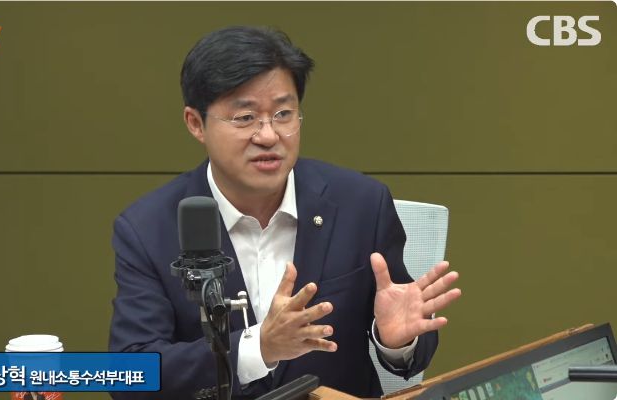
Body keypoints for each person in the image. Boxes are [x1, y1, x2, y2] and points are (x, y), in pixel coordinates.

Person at [108, 26, 461, 399]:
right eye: (245, 117)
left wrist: (395, 341)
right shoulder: (147, 229)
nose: (268, 135)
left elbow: (409, 332)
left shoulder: (361, 204)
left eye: (283, 114)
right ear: (196, 123)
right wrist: (257, 349)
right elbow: (130, 373)